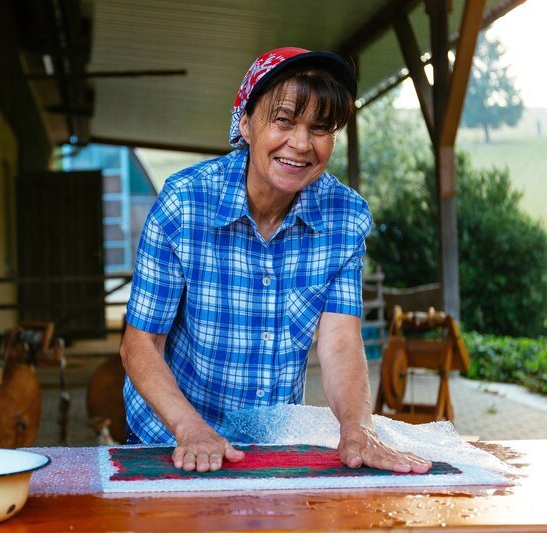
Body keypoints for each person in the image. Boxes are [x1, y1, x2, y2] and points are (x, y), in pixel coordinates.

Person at [120, 47, 432, 475]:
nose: (301, 144)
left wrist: (358, 429)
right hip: (168, 438)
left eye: (320, 128)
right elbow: (141, 344)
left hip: (270, 445)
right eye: (284, 120)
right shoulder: (184, 203)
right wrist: (190, 429)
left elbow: (340, 343)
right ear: (246, 123)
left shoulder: (346, 217)